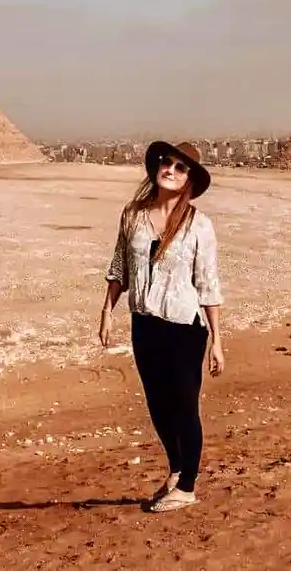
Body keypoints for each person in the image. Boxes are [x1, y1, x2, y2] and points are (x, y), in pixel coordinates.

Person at [98, 140, 224, 513]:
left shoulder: (199, 224)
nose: (169, 169)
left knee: (184, 404)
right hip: (145, 323)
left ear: (189, 180)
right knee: (157, 405)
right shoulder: (133, 215)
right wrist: (107, 311)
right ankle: (175, 469)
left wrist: (217, 340)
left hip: (185, 327)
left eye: (180, 167)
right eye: (166, 163)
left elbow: (208, 283)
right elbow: (119, 266)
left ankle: (187, 485)